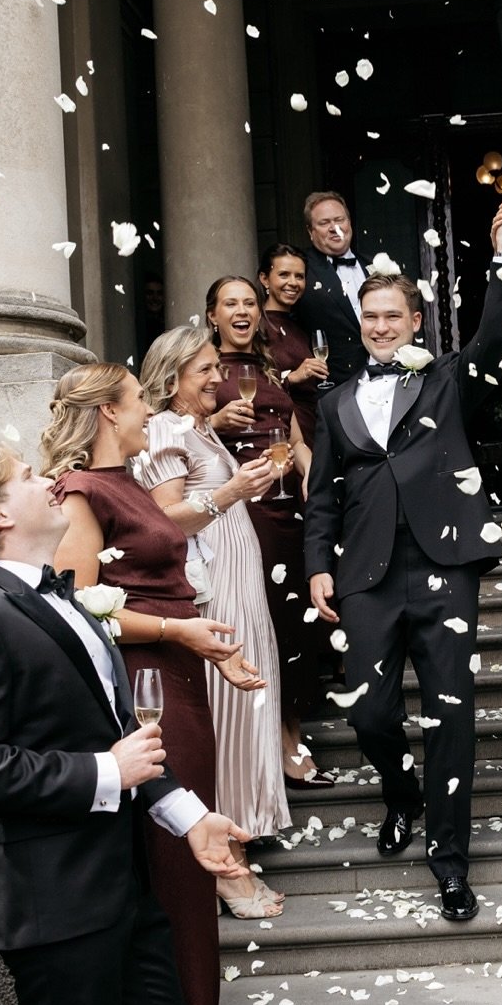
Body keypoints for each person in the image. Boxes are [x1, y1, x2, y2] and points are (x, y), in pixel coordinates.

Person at [0, 445, 266, 1005]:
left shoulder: (68, 597)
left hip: (120, 882)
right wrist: (105, 774)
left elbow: (119, 736)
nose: (50, 480)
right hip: (54, 893)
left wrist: (191, 817)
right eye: (28, 478)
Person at [41, 363, 271, 1005]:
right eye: (139, 402)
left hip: (179, 672)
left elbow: (164, 576)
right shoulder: (82, 492)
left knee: (186, 863)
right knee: (171, 863)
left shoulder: (133, 480)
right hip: (141, 687)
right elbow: (74, 609)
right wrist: (177, 631)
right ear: (109, 410)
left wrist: (208, 646)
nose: (148, 414)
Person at [304, 209, 502, 922]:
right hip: (365, 577)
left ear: (416, 319)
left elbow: (495, 336)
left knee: (451, 717)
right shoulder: (334, 403)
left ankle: (450, 862)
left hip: (445, 566)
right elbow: (322, 499)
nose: (379, 326)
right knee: (370, 715)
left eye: (391, 315)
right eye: (370, 316)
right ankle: (402, 796)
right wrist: (317, 566)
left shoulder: (448, 378)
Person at [138, 326, 292, 917]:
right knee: (226, 722)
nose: (217, 378)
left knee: (250, 711)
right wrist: (231, 490)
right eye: (203, 369)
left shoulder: (198, 427)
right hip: (213, 595)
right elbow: (163, 524)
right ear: (172, 375)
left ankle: (239, 839)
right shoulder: (165, 429)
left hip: (239, 585)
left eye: (214, 367)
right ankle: (225, 864)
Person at [205, 274, 329, 792]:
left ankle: (293, 726)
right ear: (212, 315)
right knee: (268, 618)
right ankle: (277, 740)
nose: (242, 311)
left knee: (298, 619)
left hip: (288, 507)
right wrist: (215, 422)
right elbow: (176, 431)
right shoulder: (203, 368)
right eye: (230, 304)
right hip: (244, 510)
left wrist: (317, 484)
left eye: (249, 303)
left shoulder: (272, 366)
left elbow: (294, 436)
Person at [292, 191, 373, 388]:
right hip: (333, 388)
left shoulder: (373, 267)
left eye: (339, 219)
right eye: (324, 223)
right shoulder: (300, 270)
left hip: (381, 379)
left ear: (349, 223)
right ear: (310, 231)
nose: (334, 228)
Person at [258, 242, 328, 447]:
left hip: (313, 424)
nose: (293, 282)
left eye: (299, 276)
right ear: (264, 279)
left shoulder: (300, 323)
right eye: (284, 275)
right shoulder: (256, 326)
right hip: (282, 429)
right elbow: (247, 382)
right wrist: (292, 377)